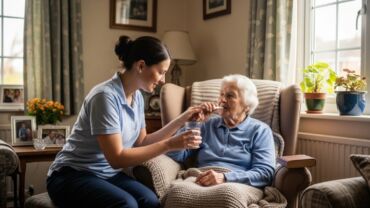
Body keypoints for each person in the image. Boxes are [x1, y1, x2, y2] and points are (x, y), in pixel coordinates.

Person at [46, 35, 203, 208]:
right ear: (141, 66)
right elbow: (117, 158)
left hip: (106, 174)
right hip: (71, 175)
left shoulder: (137, 97)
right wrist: (170, 144)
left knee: (150, 201)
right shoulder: (105, 97)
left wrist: (183, 118)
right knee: (126, 204)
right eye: (161, 72)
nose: (163, 80)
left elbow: (142, 142)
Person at [167, 74, 276, 188]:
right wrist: (193, 123)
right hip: (199, 179)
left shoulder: (260, 131)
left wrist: (224, 178)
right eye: (221, 95)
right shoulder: (205, 125)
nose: (222, 100)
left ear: (246, 105)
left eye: (230, 96)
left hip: (237, 185)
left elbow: (265, 174)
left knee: (227, 197)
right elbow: (174, 155)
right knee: (179, 191)